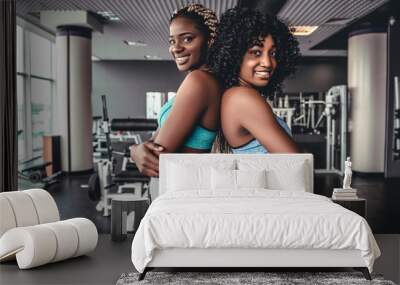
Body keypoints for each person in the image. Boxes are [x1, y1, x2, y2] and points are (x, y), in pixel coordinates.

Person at [130, 4, 220, 177]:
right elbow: (154, 142)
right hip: (179, 185)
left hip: (179, 186)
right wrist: (138, 150)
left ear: (210, 41)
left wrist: (134, 150)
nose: (176, 48)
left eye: (187, 39)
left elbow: (155, 156)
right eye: (172, 40)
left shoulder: (199, 82)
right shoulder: (206, 81)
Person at [207, 7, 300, 153]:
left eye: (273, 53)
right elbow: (297, 163)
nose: (268, 63)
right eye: (256, 52)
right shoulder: (241, 97)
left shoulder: (236, 96)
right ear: (234, 55)